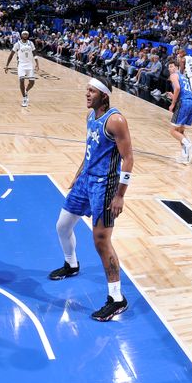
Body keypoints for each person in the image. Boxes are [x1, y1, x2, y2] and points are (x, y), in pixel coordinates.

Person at [48, 76, 134, 321]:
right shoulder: (90, 117)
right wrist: (78, 174)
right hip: (85, 180)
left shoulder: (115, 121)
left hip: (105, 186)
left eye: (91, 91)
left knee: (100, 240)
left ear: (104, 95)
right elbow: (90, 151)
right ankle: (71, 264)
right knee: (62, 226)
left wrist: (120, 195)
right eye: (86, 90)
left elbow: (128, 159)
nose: (86, 94)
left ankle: (117, 299)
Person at [167, 60, 192, 164]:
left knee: (172, 131)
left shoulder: (173, 75)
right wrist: (174, 96)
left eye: (171, 66)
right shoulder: (184, 77)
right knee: (180, 131)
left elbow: (177, 87)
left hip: (184, 103)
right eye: (169, 67)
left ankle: (188, 145)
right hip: (191, 103)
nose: (169, 69)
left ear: (176, 67)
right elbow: (183, 91)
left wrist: (172, 103)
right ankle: (185, 156)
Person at [4, 30, 39, 107]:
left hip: (30, 64)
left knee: (32, 82)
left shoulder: (31, 43)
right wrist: (7, 65)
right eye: (24, 34)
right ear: (21, 35)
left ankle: (26, 91)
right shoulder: (17, 44)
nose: (25, 35)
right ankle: (24, 98)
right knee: (21, 80)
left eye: (27, 34)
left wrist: (37, 64)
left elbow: (35, 53)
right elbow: (11, 55)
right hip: (21, 65)